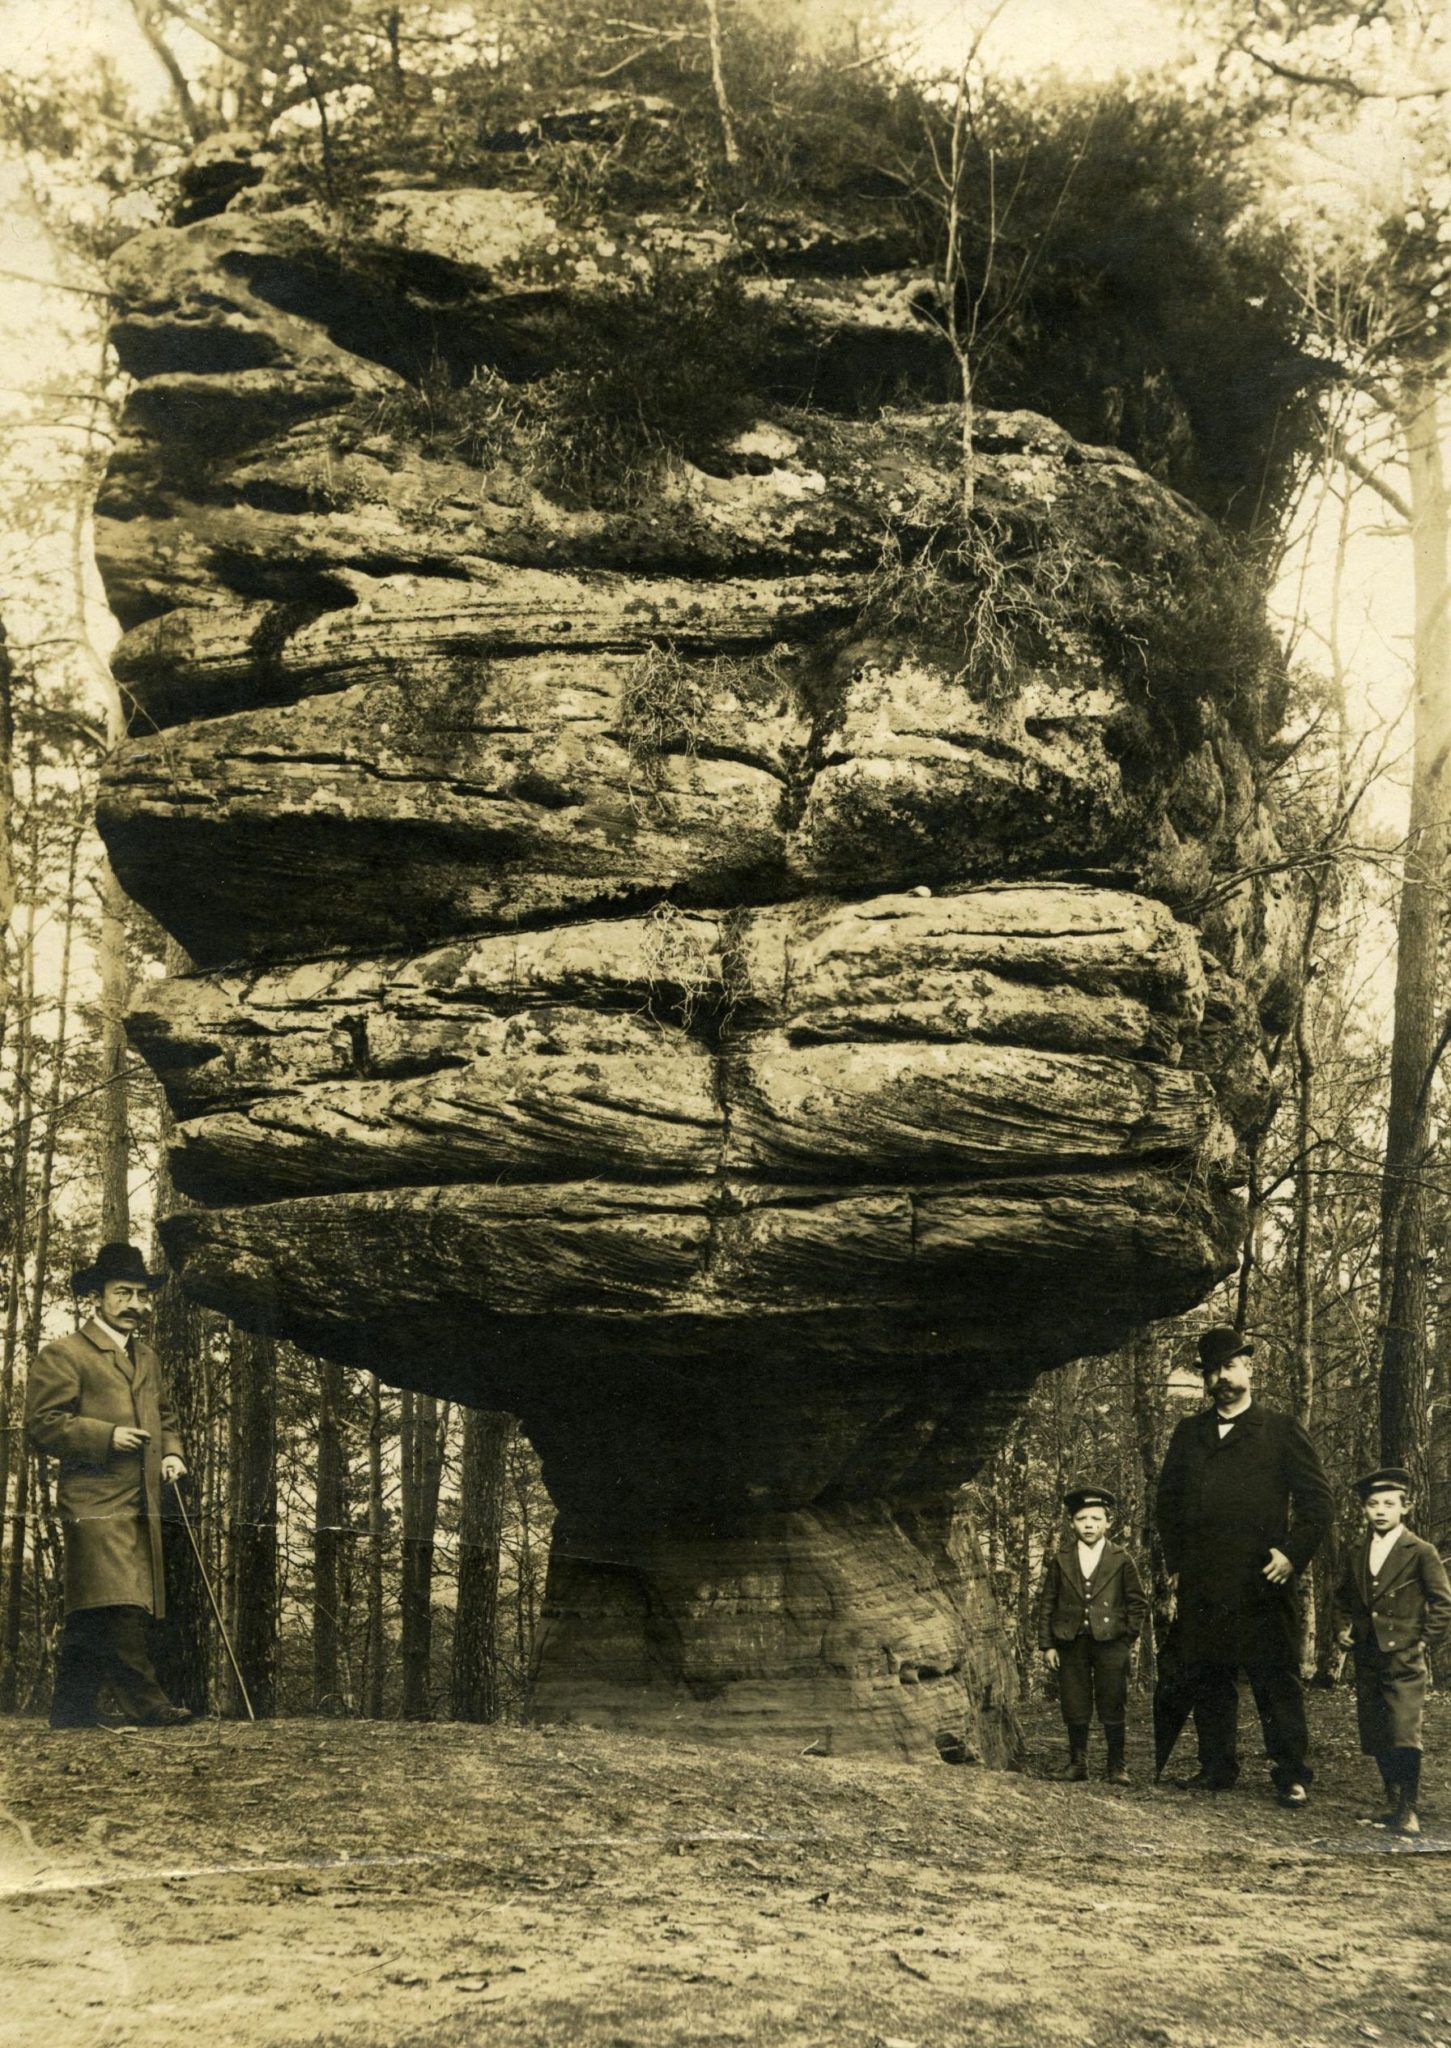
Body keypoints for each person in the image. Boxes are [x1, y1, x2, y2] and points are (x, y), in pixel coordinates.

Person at [1154, 1325, 1331, 1808]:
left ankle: (1291, 1773)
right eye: (1211, 1371)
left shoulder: (1280, 1429)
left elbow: (1318, 1503)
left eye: (1229, 1366)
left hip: (1263, 1582)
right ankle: (1216, 1767)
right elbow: (1166, 1505)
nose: (1221, 1379)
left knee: (1276, 1680)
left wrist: (1292, 1554)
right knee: (1210, 1675)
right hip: (1205, 1582)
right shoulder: (1188, 1434)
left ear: (1249, 1369)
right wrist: (1176, 1566)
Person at [26, 1242, 192, 1730]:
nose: (135, 1304)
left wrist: (173, 1452)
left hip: (145, 1498)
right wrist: (106, 1435)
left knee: (95, 1601)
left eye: (142, 1294)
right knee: (120, 1597)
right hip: (92, 1498)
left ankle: (70, 1708)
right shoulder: (65, 1355)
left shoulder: (149, 1357)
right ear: (97, 1297)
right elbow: (42, 1423)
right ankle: (149, 1705)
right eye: (123, 1293)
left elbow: (165, 1417)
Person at [1334, 1466, 1451, 1838]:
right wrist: (1341, 1629)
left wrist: (1422, 1640)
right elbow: (1341, 1597)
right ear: (1364, 1510)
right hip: (1368, 1655)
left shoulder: (1421, 1551)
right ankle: (1392, 1802)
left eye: (1389, 1503)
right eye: (1372, 1504)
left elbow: (1442, 1602)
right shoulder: (1355, 1550)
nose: (1380, 1510)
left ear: (1406, 1507)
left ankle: (1409, 1808)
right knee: (1378, 1729)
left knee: (1403, 1729)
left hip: (1404, 1657)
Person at [1035, 1483, 1147, 1785]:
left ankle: (1116, 1766)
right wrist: (1047, 1645)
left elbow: (1138, 1603)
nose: (1089, 1525)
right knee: (1074, 1701)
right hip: (1071, 1642)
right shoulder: (1062, 1559)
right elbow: (1047, 1603)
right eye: (1083, 1518)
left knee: (1113, 1700)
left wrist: (1126, 1638)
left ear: (1108, 1522)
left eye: (1096, 1519)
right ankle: (1077, 1763)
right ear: (1072, 1522)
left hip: (1111, 1644)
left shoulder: (1121, 1558)